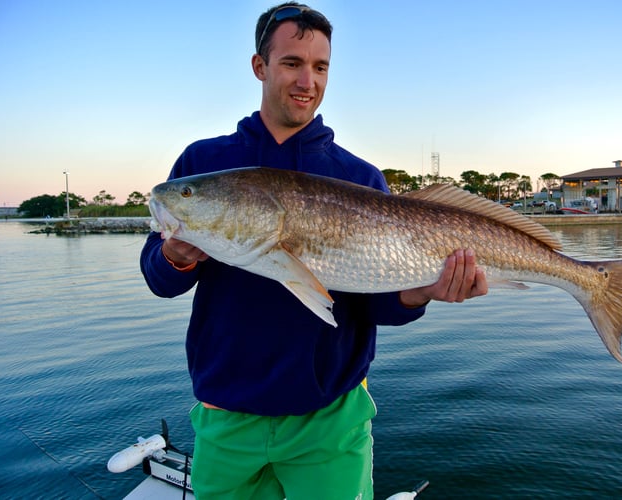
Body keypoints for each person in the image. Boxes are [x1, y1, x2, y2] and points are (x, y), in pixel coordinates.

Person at [140, 3, 488, 499]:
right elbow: (157, 276)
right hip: (225, 416)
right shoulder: (204, 163)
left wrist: (423, 292)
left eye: (320, 67)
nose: (308, 81)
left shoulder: (360, 178)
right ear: (260, 66)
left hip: (330, 419)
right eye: (291, 63)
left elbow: (374, 305)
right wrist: (176, 255)